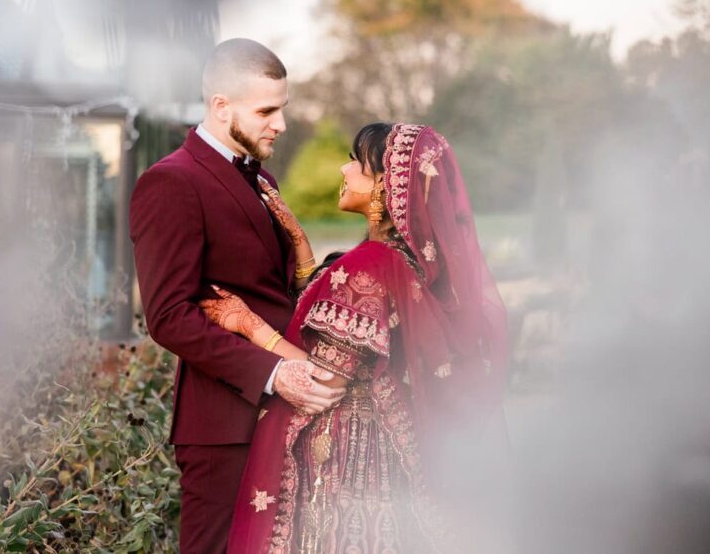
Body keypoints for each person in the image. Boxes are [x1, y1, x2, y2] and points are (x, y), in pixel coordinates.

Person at [200, 122, 508, 553]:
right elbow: (350, 336)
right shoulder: (402, 262)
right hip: (384, 449)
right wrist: (304, 250)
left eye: (356, 163)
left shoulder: (371, 265)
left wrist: (248, 325)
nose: (344, 170)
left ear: (384, 186)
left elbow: (325, 380)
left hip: (346, 459)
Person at [129, 39, 345, 554]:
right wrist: (272, 374)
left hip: (283, 414)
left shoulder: (262, 178)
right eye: (266, 111)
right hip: (223, 426)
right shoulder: (171, 182)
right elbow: (168, 316)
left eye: (282, 109)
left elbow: (273, 290)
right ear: (221, 106)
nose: (281, 125)